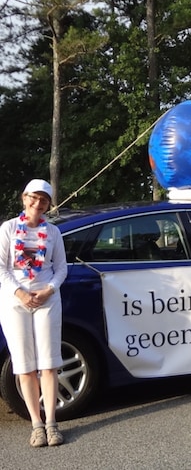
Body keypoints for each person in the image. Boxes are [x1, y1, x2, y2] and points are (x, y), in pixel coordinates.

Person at [0, 179, 67, 447]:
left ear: (49, 204)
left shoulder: (53, 233)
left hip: (47, 299)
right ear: (24, 198)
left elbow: (61, 267)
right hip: (15, 301)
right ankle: (36, 424)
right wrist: (21, 293)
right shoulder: (8, 229)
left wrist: (49, 290)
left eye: (44, 200)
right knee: (24, 366)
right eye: (34, 198)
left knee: (49, 364)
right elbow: (1, 268)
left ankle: (52, 422)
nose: (38, 204)